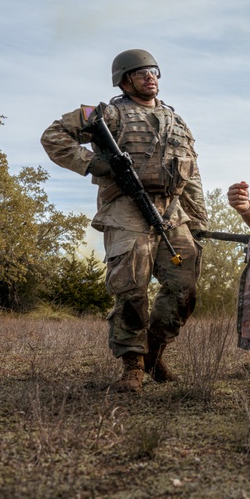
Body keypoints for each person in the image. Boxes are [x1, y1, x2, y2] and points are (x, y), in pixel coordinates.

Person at [40, 49, 207, 393]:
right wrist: (94, 164)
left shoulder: (178, 122)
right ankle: (132, 364)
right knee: (131, 288)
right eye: (141, 72)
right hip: (126, 207)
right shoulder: (107, 114)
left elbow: (192, 175)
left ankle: (154, 355)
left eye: (154, 71)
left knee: (184, 288)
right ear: (124, 79)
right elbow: (54, 136)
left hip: (172, 211)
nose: (150, 76)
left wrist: (198, 218)